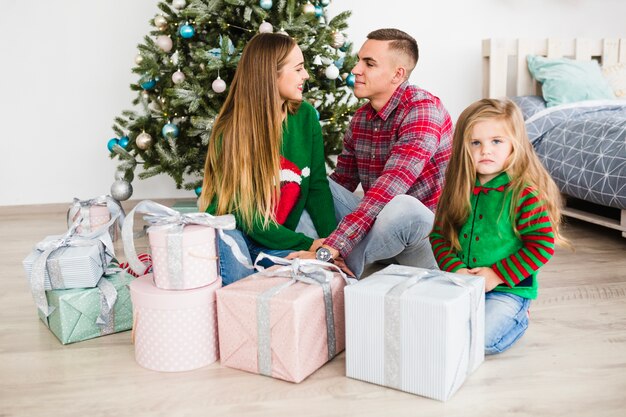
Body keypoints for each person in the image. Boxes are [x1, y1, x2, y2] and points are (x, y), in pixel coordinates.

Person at [287, 28, 453, 278]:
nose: (356, 69)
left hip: (425, 239)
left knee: (403, 206)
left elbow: (387, 192)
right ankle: (302, 261)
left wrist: (333, 246)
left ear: (398, 74)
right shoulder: (362, 118)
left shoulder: (422, 110)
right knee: (308, 184)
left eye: (369, 63)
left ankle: (331, 260)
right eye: (358, 60)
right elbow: (340, 183)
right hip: (378, 234)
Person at [429, 98, 569, 354]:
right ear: (463, 147)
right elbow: (439, 236)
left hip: (508, 289)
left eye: (496, 141)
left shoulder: (524, 193)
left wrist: (497, 275)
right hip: (461, 283)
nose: (486, 151)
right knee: (428, 325)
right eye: (476, 143)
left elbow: (542, 245)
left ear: (514, 145)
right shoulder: (458, 189)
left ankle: (519, 316)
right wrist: (457, 269)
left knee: (479, 341)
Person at [198, 33, 336, 285]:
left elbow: (317, 186)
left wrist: (331, 244)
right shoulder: (231, 131)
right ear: (271, 75)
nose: (306, 75)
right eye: (298, 69)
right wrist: (309, 244)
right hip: (233, 229)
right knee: (242, 281)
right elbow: (249, 219)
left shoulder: (305, 116)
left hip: (275, 236)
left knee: (316, 272)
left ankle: (267, 263)